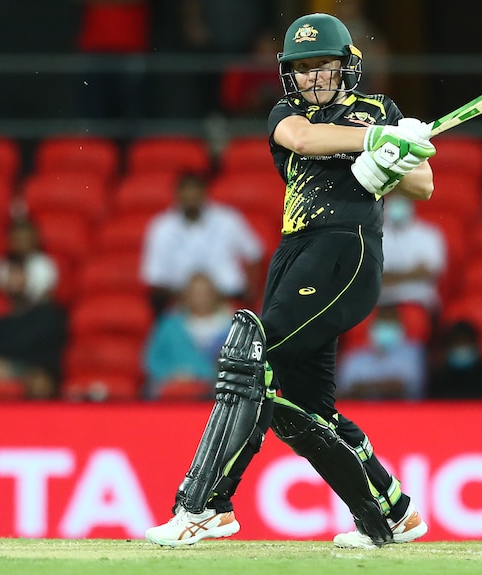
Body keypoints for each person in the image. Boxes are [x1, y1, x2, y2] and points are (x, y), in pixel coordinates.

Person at [145, 13, 436, 549]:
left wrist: (396, 162)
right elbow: (303, 139)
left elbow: (424, 183)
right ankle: (395, 512)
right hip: (295, 255)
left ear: (347, 65)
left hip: (344, 251)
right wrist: (372, 143)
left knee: (251, 360)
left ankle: (206, 505)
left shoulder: (380, 109)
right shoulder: (290, 113)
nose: (313, 78)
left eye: (323, 66)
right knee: (305, 408)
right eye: (302, 69)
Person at [139, 172, 264, 316]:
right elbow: (155, 278)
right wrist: (192, 299)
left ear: (205, 192)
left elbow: (254, 253)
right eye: (186, 192)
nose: (191, 197)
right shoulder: (161, 227)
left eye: (195, 191)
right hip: (180, 306)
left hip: (228, 300)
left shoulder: (228, 219)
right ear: (177, 194)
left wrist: (250, 291)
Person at [0, 255, 67, 400]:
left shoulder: (48, 313)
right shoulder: (1, 321)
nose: (13, 279)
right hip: (3, 366)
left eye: (19, 274)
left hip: (34, 369)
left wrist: (0, 362)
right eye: (10, 274)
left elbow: (37, 347)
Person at [142, 273, 233, 400]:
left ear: (214, 294)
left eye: (204, 293)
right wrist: (173, 376)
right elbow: (153, 359)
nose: (200, 298)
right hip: (171, 390)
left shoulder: (231, 326)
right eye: (195, 293)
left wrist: (201, 377)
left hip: (214, 393)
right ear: (186, 296)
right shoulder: (170, 324)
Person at [336, 304, 426, 400]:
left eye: (390, 323)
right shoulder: (355, 356)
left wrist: (364, 387)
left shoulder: (413, 353)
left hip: (404, 411)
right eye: (382, 322)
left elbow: (406, 387)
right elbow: (345, 389)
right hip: (361, 411)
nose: (386, 327)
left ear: (400, 326)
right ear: (372, 327)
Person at [380, 194, 446, 312]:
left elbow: (428, 272)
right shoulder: (375, 235)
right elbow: (371, 275)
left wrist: (389, 276)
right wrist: (410, 273)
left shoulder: (429, 234)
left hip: (417, 301)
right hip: (381, 303)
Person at [427, 320, 482, 400]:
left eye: (466, 342)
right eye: (458, 343)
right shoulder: (440, 379)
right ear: (449, 347)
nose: (462, 347)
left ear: (475, 345)